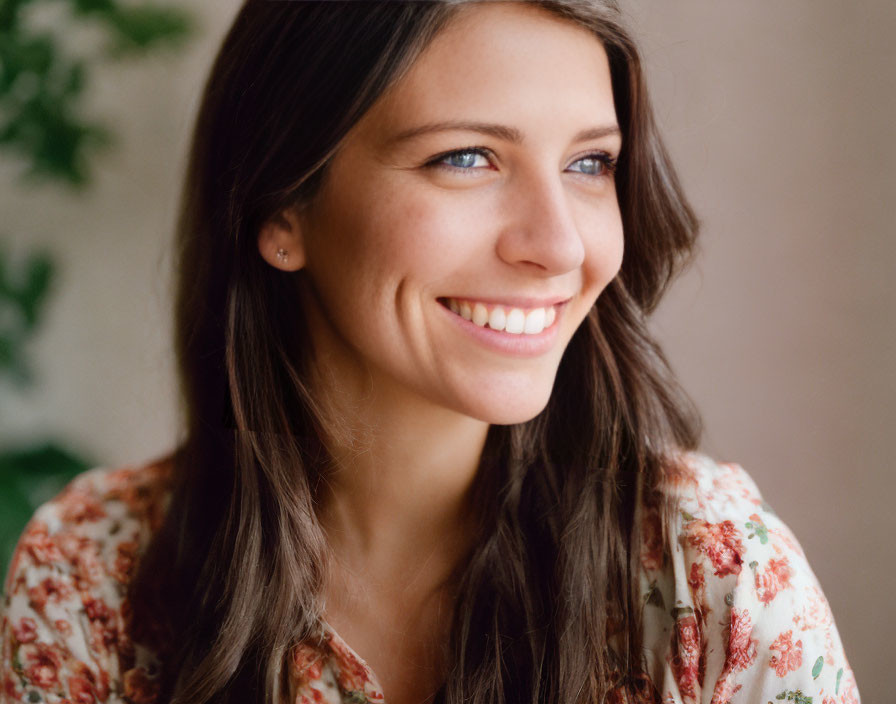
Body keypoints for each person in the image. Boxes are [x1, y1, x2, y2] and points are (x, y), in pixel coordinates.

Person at [0, 1, 860, 703]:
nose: (559, 247)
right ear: (282, 209)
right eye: (466, 157)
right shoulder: (92, 578)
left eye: (590, 163)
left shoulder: (710, 572)